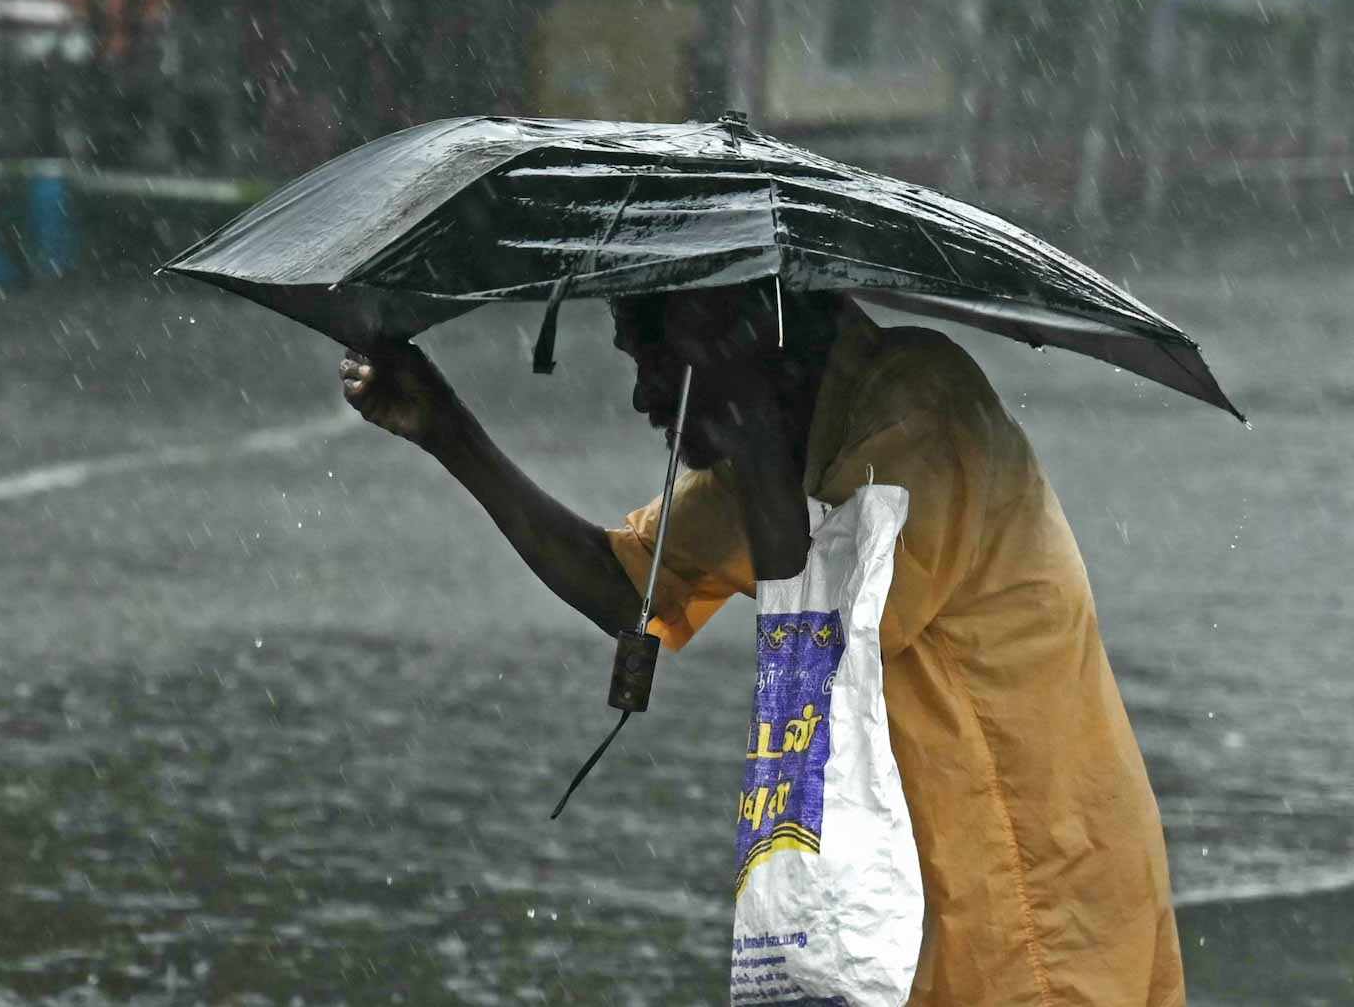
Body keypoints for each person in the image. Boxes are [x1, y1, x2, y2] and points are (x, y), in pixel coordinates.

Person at [338, 281, 1185, 1005]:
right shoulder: (788, 441)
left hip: (1041, 909)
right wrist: (447, 427)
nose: (643, 399)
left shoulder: (920, 411)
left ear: (746, 337)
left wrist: (744, 427)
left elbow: (826, 641)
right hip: (918, 912)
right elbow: (624, 582)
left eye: (657, 363)